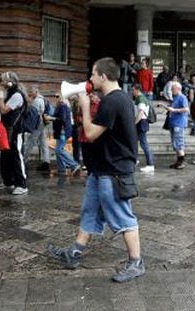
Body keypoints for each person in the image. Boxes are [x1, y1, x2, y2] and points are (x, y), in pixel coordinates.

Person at [47, 57, 145, 283]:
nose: (90, 78)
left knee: (123, 216)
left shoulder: (113, 101)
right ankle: (74, 252)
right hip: (102, 169)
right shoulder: (115, 99)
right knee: (90, 211)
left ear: (103, 76)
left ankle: (136, 262)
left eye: (93, 74)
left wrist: (83, 105)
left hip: (114, 171)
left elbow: (90, 134)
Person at [0, 71, 28, 195]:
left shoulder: (17, 95)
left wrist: (0, 98)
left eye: (3, 80)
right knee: (5, 156)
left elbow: (4, 110)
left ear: (10, 82)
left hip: (15, 130)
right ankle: (8, 181)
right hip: (8, 129)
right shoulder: (11, 94)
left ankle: (21, 183)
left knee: (16, 155)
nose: (1, 83)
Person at [160, 81, 190, 169]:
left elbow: (186, 109)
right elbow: (172, 108)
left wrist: (174, 110)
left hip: (179, 123)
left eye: (173, 88)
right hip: (173, 122)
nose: (171, 90)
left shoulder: (182, 97)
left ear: (178, 89)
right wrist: (164, 106)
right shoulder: (175, 97)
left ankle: (181, 162)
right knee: (175, 143)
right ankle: (178, 161)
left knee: (179, 142)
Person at [23, 85, 51, 173]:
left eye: (31, 92)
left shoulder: (37, 101)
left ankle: (23, 160)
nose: (30, 94)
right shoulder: (43, 99)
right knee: (43, 142)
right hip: (42, 123)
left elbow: (33, 114)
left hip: (37, 124)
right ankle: (46, 161)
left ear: (36, 92)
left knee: (30, 142)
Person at [51, 95, 80, 176]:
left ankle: (74, 164)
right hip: (61, 131)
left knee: (59, 150)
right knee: (58, 150)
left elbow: (62, 119)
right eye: (56, 97)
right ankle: (61, 169)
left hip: (62, 131)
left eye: (58, 97)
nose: (56, 98)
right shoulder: (61, 106)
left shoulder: (63, 106)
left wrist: (52, 118)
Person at [132, 83, 155, 172]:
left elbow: (141, 113)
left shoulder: (141, 99)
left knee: (144, 144)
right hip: (141, 122)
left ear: (137, 90)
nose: (132, 92)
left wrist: (134, 123)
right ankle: (135, 159)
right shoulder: (140, 98)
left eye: (133, 90)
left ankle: (150, 164)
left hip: (141, 122)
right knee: (136, 142)